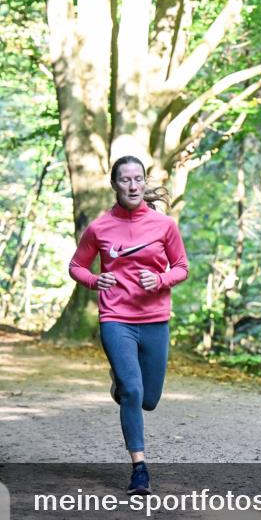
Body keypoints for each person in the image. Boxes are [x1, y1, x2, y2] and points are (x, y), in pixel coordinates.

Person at [68, 155, 189, 495]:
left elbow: (181, 266)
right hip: (116, 318)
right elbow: (77, 266)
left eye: (138, 179)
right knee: (133, 390)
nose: (133, 186)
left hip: (154, 320)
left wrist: (161, 279)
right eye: (125, 180)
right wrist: (95, 280)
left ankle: (120, 385)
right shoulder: (100, 227)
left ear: (145, 182)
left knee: (148, 399)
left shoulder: (164, 225)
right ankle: (139, 468)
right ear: (115, 184)